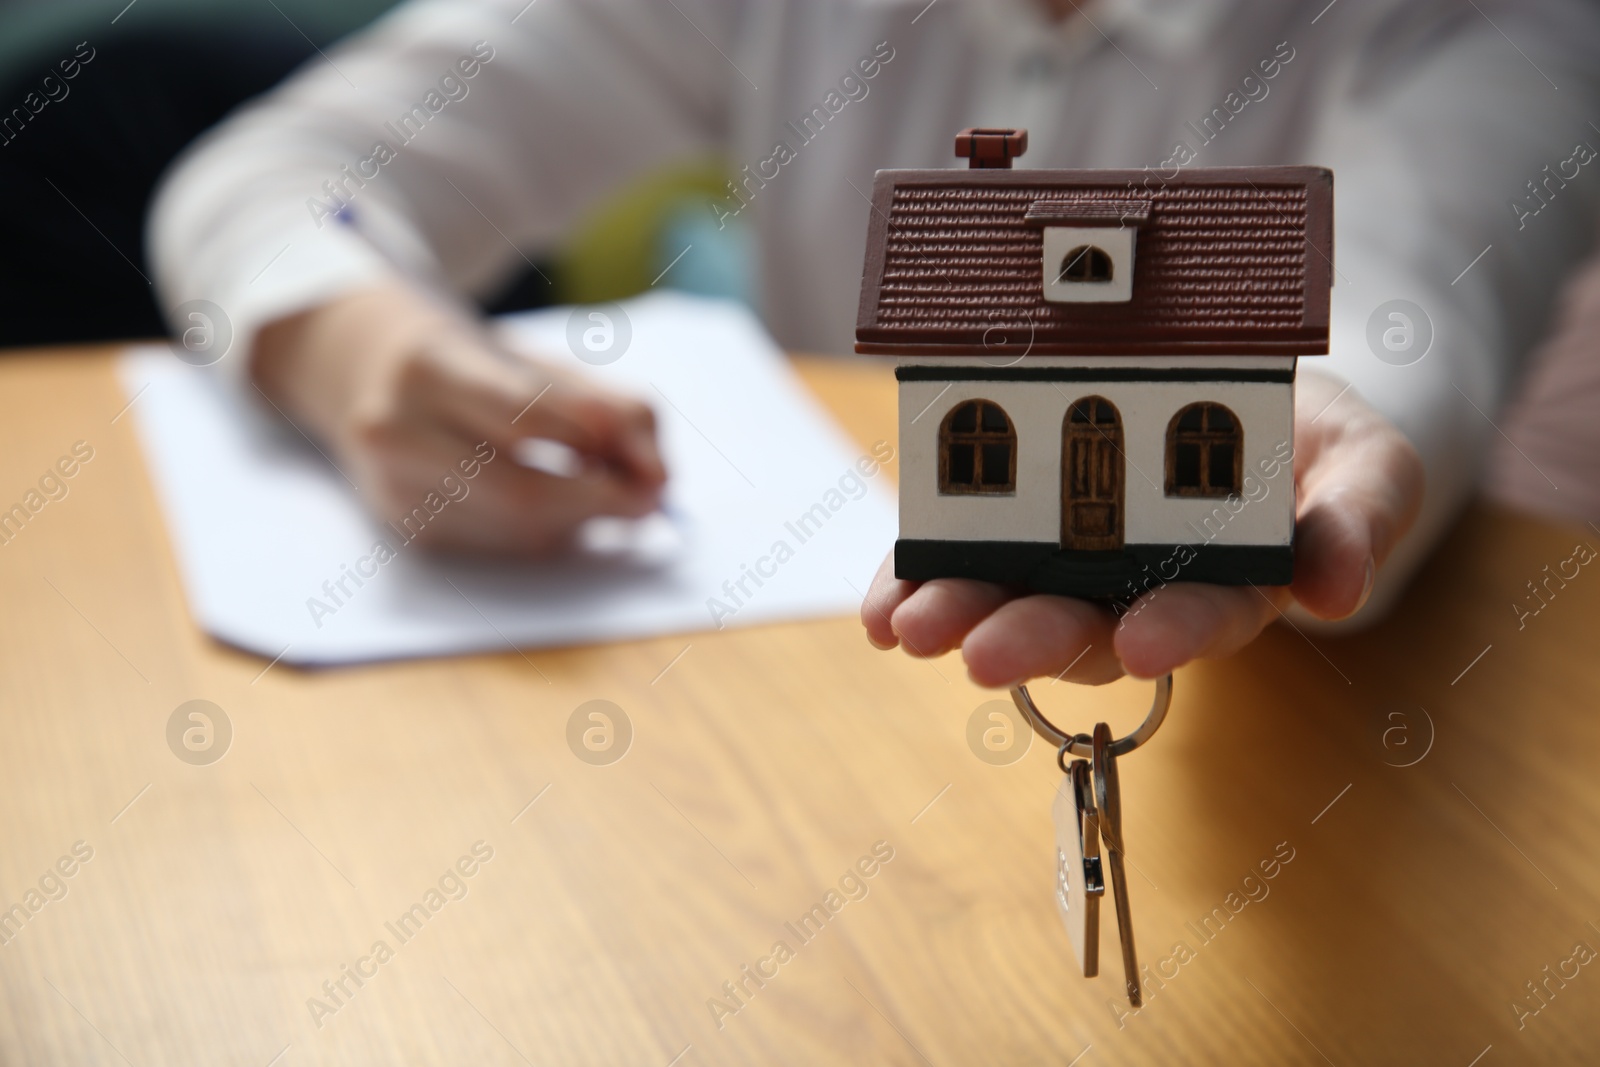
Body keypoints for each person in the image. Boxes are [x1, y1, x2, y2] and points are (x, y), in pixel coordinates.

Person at [148, 0, 1600, 683]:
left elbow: (1422, 295)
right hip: (824, 706)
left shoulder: (1486, 23)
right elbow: (271, 184)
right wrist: (355, 347)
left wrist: (1338, 406)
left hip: (1340, 736)